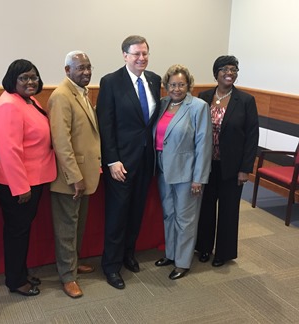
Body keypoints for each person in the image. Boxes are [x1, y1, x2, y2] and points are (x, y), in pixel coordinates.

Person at [96, 35, 161, 289]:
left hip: (146, 160)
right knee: (117, 215)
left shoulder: (154, 80)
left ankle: (128, 255)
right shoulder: (111, 82)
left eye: (145, 53)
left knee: (136, 212)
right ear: (125, 55)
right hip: (121, 163)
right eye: (136, 54)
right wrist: (112, 160)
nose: (141, 58)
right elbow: (106, 124)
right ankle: (111, 266)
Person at [0, 59, 57, 297]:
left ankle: (20, 272)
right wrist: (21, 187)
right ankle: (16, 281)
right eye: (24, 78)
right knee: (17, 233)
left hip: (33, 178)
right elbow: (9, 151)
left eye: (34, 77)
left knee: (22, 231)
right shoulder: (8, 104)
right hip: (17, 184)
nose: (31, 82)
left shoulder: (28, 100)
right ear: (13, 80)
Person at [195, 55, 259, 267]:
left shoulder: (246, 101)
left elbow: (252, 137)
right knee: (205, 208)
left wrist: (245, 169)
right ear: (216, 74)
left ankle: (223, 252)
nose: (229, 73)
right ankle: (203, 248)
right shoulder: (203, 97)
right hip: (207, 165)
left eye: (233, 69)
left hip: (232, 167)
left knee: (229, 210)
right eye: (224, 69)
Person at [47, 51, 101, 298]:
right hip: (70, 178)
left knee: (78, 225)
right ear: (67, 70)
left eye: (88, 67)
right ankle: (67, 276)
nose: (87, 72)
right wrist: (74, 176)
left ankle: (73, 264)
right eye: (80, 68)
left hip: (86, 174)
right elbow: (61, 141)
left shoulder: (82, 92)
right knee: (67, 228)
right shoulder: (61, 96)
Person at [153, 64, 212, 280]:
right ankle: (171, 254)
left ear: (189, 85)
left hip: (187, 174)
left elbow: (203, 144)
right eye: (172, 84)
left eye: (181, 84)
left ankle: (183, 261)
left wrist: (199, 178)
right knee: (169, 214)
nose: (176, 89)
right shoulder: (163, 104)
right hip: (162, 170)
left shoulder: (198, 107)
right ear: (166, 86)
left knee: (185, 218)